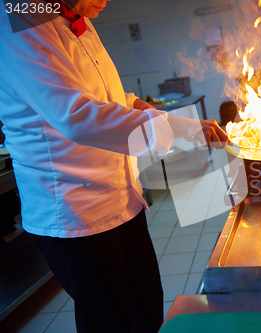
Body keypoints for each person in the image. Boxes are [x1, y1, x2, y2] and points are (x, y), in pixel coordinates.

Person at [0, 1, 228, 332]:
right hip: (76, 210)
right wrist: (184, 130)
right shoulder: (20, 18)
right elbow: (77, 116)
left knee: (146, 307)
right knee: (109, 321)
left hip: (122, 201)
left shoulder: (78, 20)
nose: (107, 1)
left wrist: (136, 103)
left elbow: (104, 92)